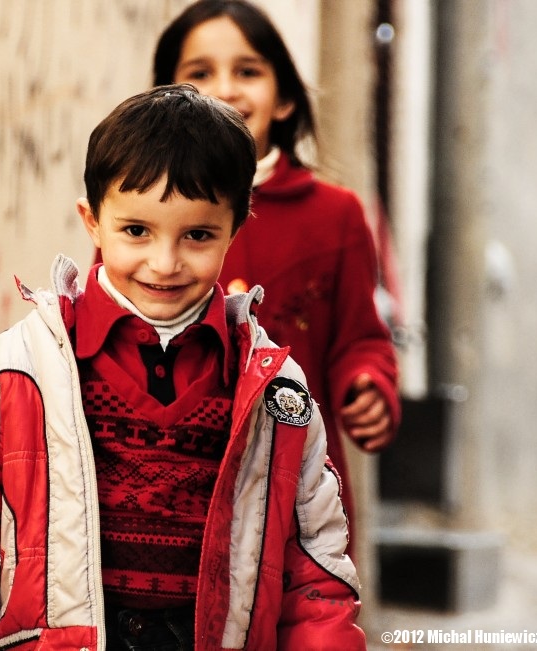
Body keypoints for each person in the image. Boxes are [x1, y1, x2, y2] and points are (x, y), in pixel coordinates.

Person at [0, 84, 365, 650]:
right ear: (92, 220)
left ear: (237, 227)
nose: (164, 263)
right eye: (136, 231)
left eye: (197, 235)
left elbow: (316, 569)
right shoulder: (16, 372)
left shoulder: (275, 395)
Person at [151, 0, 401, 553]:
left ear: (284, 98)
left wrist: (369, 385)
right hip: (170, 488)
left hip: (298, 493)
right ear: (164, 98)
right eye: (198, 73)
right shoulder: (146, 205)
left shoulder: (334, 214)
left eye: (247, 71)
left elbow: (361, 339)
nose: (225, 89)